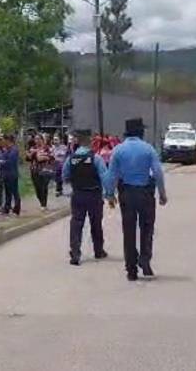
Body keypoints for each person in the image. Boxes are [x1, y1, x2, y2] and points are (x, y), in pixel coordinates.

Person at [107, 118, 167, 281]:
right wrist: (162, 193)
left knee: (129, 231)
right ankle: (145, 259)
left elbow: (111, 175)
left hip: (126, 192)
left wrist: (110, 194)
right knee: (147, 228)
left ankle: (131, 269)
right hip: (145, 193)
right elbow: (157, 173)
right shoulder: (148, 149)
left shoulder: (118, 150)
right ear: (141, 132)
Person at [62, 129, 111, 266]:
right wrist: (109, 194)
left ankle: (75, 253)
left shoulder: (71, 159)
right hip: (94, 195)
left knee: (76, 224)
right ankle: (98, 250)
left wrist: (70, 187)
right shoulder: (96, 158)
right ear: (89, 142)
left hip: (78, 194)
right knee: (96, 224)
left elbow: (64, 176)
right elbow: (104, 177)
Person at [27, 135, 55, 210]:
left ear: (42, 140)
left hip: (45, 170)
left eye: (39, 139)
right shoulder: (33, 148)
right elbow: (28, 158)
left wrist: (44, 157)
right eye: (36, 139)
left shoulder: (47, 148)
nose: (37, 140)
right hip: (34, 170)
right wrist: (31, 154)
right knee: (37, 188)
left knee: (43, 187)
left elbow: (52, 157)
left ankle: (44, 204)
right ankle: (41, 201)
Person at [1, 134, 21, 216]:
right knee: (7, 192)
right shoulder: (6, 150)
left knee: (14, 191)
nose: (3, 142)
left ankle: (17, 208)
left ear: (9, 140)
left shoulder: (14, 150)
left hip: (12, 173)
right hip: (6, 174)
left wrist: (2, 162)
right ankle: (7, 207)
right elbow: (2, 157)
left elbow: (10, 161)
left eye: (5, 140)